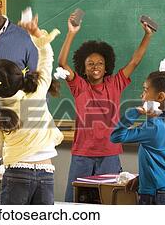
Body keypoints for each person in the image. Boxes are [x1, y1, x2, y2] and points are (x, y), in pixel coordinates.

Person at [0, 15, 64, 205]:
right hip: (46, 172)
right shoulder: (37, 93)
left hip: (17, 173)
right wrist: (36, 34)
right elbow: (46, 58)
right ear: (19, 76)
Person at [59, 11, 154, 202]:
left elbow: (135, 61)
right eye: (90, 63)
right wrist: (71, 32)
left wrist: (147, 35)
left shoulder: (115, 83)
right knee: (75, 202)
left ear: (106, 66)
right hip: (82, 155)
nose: (96, 66)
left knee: (109, 202)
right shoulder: (79, 86)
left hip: (109, 154)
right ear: (83, 68)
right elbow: (62, 62)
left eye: (100, 63)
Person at [111, 60, 165, 204]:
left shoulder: (153, 126)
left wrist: (135, 112)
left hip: (155, 194)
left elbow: (116, 136)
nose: (142, 96)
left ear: (160, 97)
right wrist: (142, 178)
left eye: (145, 90)